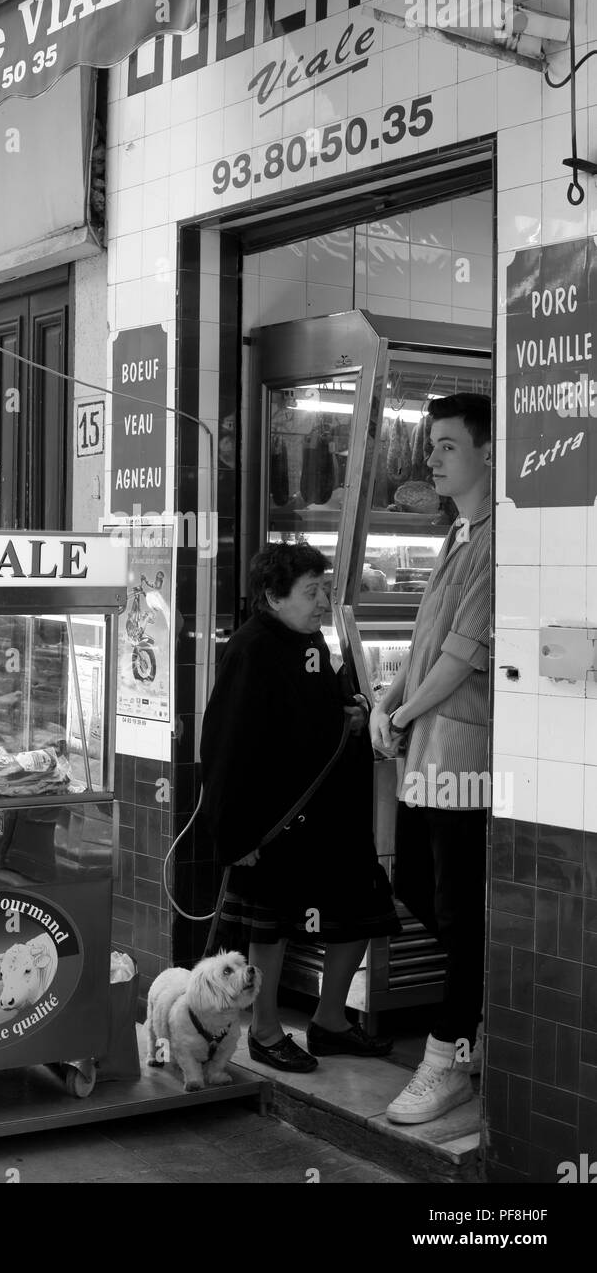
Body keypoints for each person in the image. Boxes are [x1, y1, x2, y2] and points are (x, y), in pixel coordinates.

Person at [200, 542, 401, 1071]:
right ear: (273, 596)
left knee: (363, 910)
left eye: (325, 589)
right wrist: (234, 837)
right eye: (311, 591)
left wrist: (349, 714)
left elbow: (314, 714)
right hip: (275, 824)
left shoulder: (310, 639)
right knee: (273, 927)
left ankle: (330, 1021)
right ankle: (265, 1032)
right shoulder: (251, 648)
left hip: (332, 817)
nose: (322, 601)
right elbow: (225, 745)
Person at [370, 392, 491, 1124]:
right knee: (415, 883)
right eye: (431, 446)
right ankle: (482, 1000)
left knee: (455, 904)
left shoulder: (497, 540)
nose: (433, 458)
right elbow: (423, 650)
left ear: (487, 452)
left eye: (447, 445)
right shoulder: (456, 535)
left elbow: (461, 655)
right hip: (426, 756)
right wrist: (387, 701)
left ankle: (448, 1055)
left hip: (466, 758)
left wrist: (404, 711)